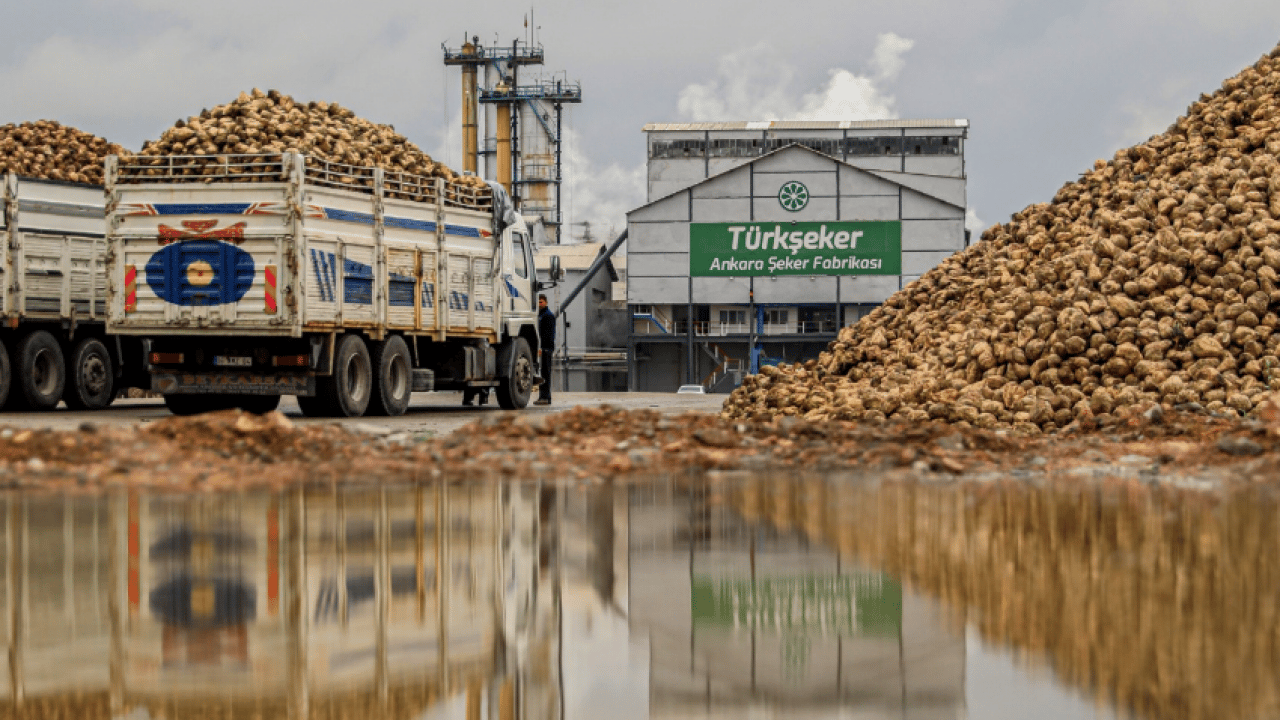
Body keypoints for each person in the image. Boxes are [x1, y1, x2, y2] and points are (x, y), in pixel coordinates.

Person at [535, 294, 555, 405]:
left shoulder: (548, 315)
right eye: (538, 302)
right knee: (542, 373)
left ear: (546, 302)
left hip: (546, 349)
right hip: (542, 348)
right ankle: (543, 397)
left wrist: (543, 348)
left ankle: (546, 397)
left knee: (545, 373)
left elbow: (548, 335)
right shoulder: (539, 315)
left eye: (541, 302)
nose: (539, 304)